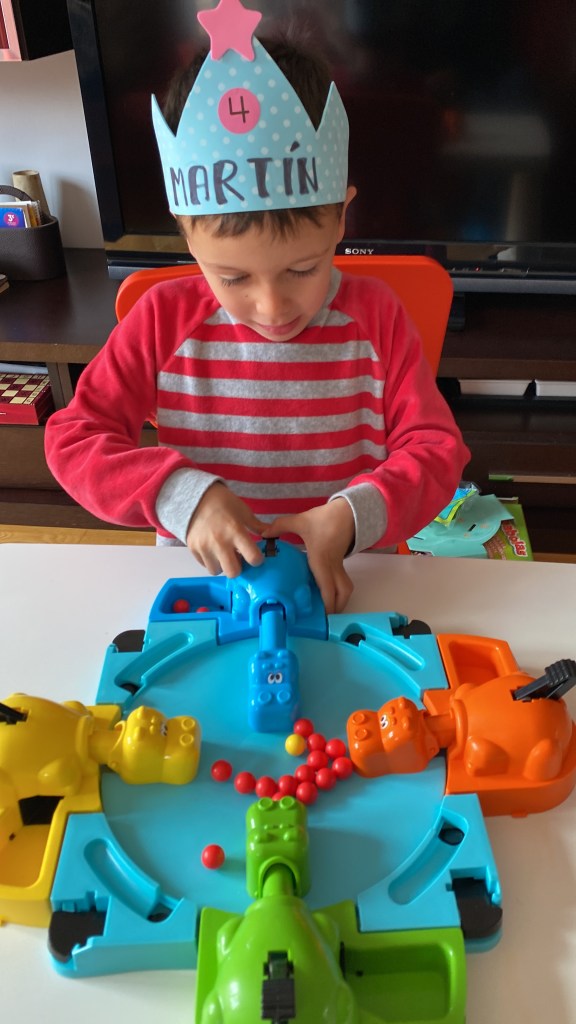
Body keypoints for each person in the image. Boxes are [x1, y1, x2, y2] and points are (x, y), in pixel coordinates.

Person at [45, 0, 469, 614]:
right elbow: (74, 438)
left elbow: (436, 449)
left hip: (347, 589)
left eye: (303, 269)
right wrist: (182, 496)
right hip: (208, 594)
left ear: (341, 219)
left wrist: (351, 516)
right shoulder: (162, 320)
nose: (271, 307)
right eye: (233, 277)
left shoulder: (376, 316)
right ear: (187, 235)